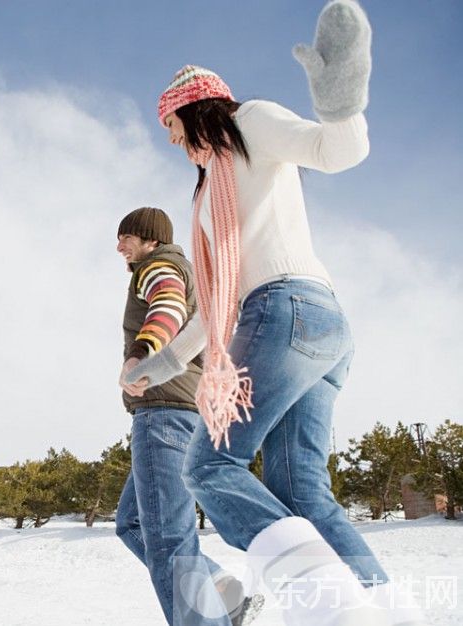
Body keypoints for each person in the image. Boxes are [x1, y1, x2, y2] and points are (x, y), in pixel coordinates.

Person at [125, 3, 425, 625]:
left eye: (170, 125)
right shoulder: (212, 184)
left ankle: (332, 608)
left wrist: (340, 102)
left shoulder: (249, 123)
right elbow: (219, 300)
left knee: (209, 466)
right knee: (299, 490)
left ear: (190, 109)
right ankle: (385, 610)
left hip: (285, 311)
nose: (171, 140)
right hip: (318, 326)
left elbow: (335, 151)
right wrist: (162, 365)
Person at [114, 207, 260, 626]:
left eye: (127, 237)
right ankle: (225, 593)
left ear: (151, 239)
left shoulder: (159, 267)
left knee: (167, 539)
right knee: (132, 523)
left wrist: (141, 353)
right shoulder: (185, 269)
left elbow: (168, 305)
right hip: (182, 414)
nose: (120, 246)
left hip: (164, 413)